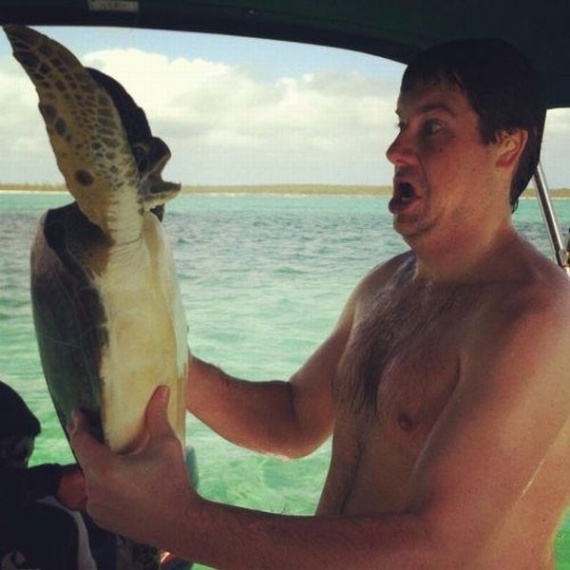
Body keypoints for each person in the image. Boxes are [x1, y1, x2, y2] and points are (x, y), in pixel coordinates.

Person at [69, 38, 570, 568]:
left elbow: (436, 549)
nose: (396, 150)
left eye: (432, 128)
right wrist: (157, 355)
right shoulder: (388, 285)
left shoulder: (536, 320)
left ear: (507, 148)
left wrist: (176, 520)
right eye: (401, 125)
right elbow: (291, 422)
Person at [0, 380, 96, 570]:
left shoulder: (59, 517)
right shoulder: (56, 515)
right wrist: (52, 480)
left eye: (25, 451)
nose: (21, 464)